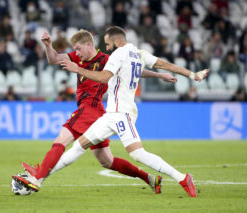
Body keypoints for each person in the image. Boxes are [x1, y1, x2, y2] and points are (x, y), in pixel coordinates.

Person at [13, 29, 177, 194]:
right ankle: (149, 178)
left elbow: (133, 71)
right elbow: (54, 59)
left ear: (89, 45)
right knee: (107, 161)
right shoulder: (78, 57)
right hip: (98, 113)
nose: (76, 52)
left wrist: (159, 75)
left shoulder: (107, 60)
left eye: (78, 48)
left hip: (89, 108)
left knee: (61, 140)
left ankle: (37, 179)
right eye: (75, 49)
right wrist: (48, 46)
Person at [55, 26, 208, 197]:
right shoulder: (139, 54)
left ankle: (182, 178)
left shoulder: (118, 54)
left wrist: (77, 69)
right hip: (111, 115)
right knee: (79, 146)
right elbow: (166, 65)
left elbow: (104, 77)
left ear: (118, 41)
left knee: (138, 154)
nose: (106, 48)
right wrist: (192, 75)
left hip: (122, 113)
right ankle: (38, 177)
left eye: (108, 44)